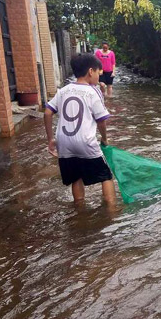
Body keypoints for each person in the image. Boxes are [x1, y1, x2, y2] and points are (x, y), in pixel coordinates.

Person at [44, 53, 116, 205]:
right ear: (91, 71)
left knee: (76, 178)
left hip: (63, 142)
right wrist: (104, 139)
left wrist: (51, 139)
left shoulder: (63, 90)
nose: (98, 75)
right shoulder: (93, 91)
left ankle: (80, 211)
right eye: (98, 72)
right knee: (106, 176)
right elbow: (101, 121)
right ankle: (111, 212)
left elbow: (48, 112)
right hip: (85, 141)